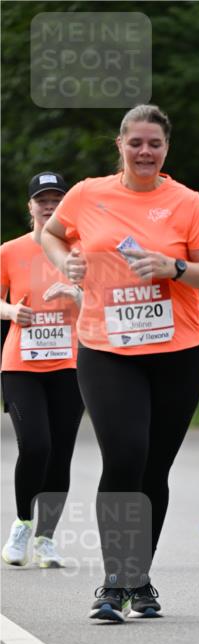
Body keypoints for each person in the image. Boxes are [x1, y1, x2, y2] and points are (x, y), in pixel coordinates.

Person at [41, 104, 199, 622]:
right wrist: (66, 262)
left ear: (166, 149)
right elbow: (52, 234)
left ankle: (139, 577)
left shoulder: (186, 203)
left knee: (153, 467)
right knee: (125, 455)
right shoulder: (88, 194)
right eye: (136, 143)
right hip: (107, 349)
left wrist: (175, 267)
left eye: (155, 144)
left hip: (178, 351)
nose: (145, 152)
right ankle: (114, 582)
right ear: (120, 145)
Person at [1, 172, 84, 569]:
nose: (49, 206)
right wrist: (10, 311)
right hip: (21, 364)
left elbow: (105, 300)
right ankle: (22, 524)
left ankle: (46, 539)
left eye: (56, 200)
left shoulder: (80, 251)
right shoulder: (10, 251)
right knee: (36, 446)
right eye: (42, 200)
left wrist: (77, 295)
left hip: (70, 364)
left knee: (61, 453)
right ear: (30, 206)